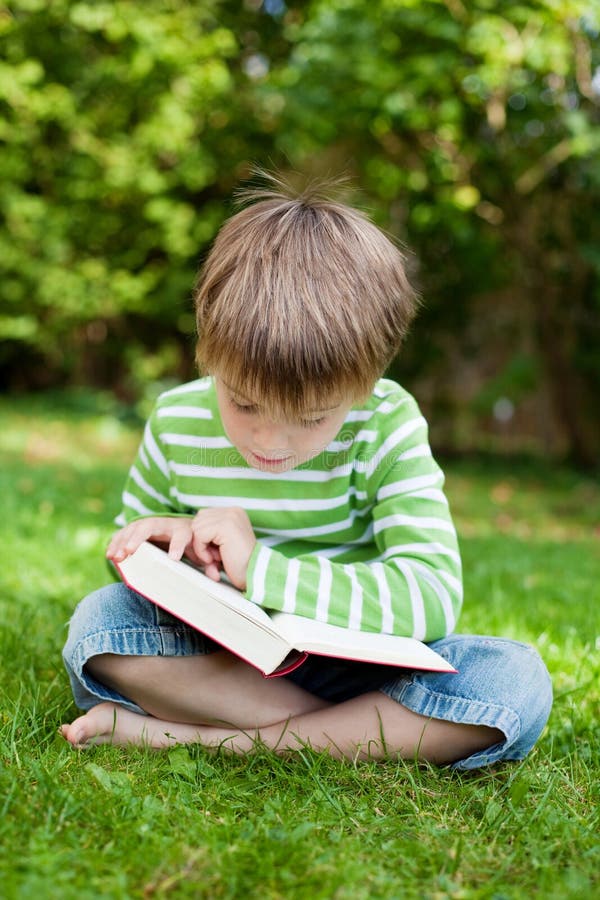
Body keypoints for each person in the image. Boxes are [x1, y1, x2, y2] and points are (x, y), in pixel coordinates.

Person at [61, 181, 552, 767]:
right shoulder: (175, 420)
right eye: (243, 404)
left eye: (314, 417)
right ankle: (343, 740)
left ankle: (204, 739)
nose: (270, 444)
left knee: (514, 683)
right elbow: (128, 576)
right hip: (226, 661)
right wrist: (165, 544)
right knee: (98, 624)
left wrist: (259, 569)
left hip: (359, 670)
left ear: (366, 384)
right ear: (208, 351)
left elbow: (431, 597)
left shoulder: (384, 423)